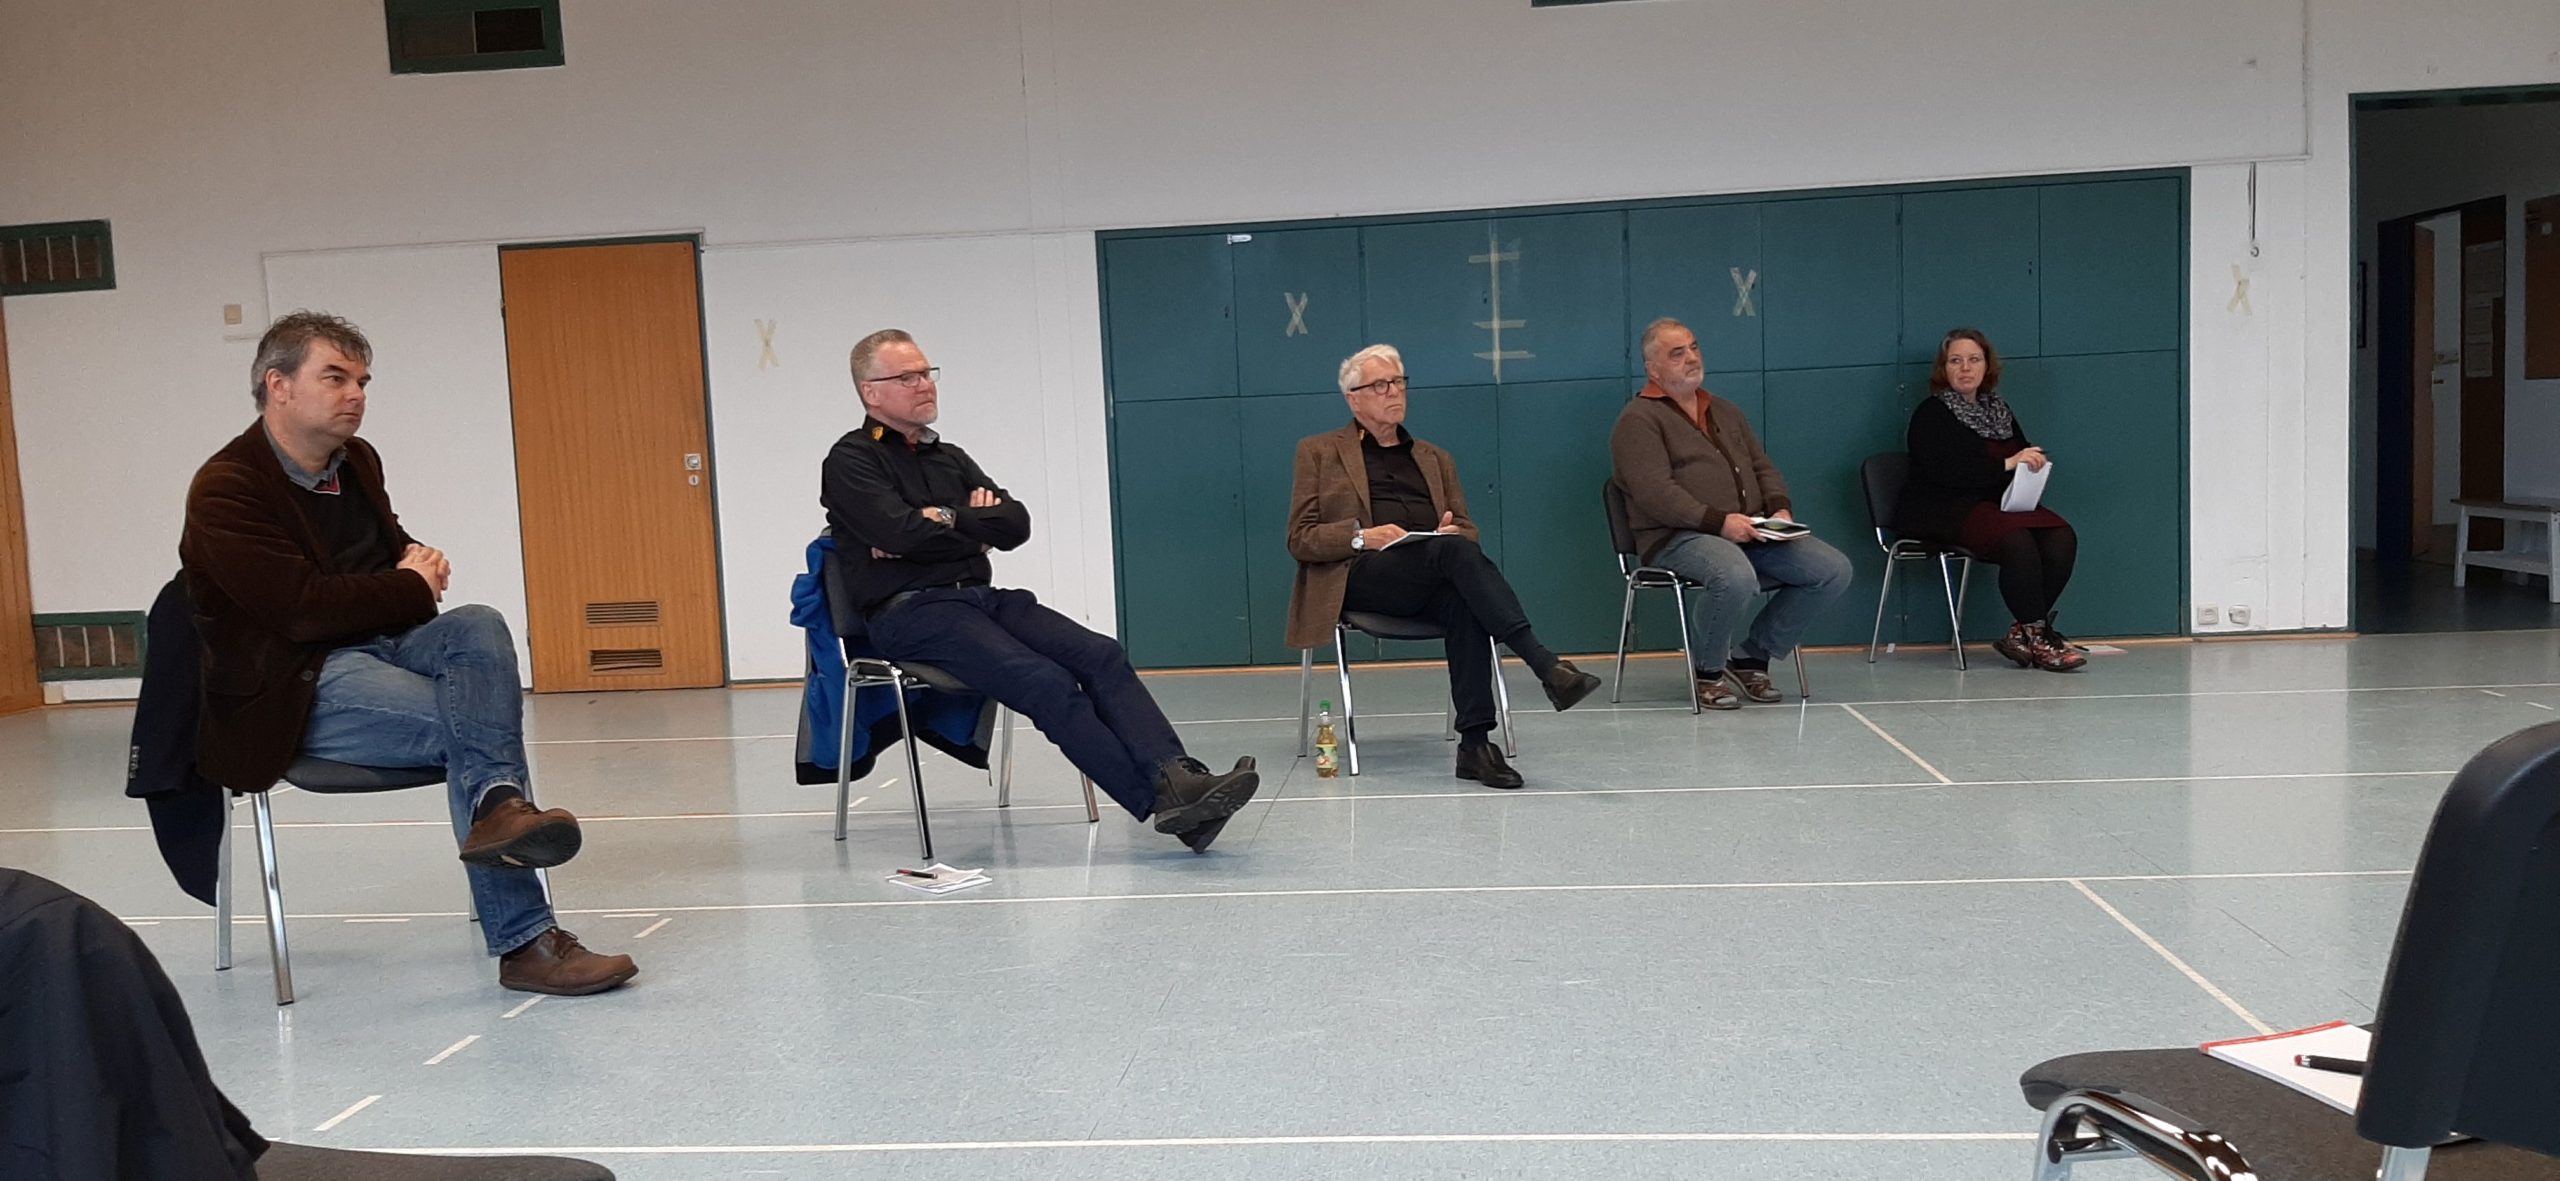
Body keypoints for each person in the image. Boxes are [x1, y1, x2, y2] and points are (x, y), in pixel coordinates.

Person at [180, 312, 637, 996]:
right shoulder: (227, 488)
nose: (355, 395)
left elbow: (392, 569)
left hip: (381, 648)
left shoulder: (356, 462)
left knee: (477, 623)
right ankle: (526, 940)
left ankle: (500, 806)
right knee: (475, 730)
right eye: (335, 377)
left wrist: (413, 567)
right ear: (278, 385)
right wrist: (406, 583)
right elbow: (302, 611)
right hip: (293, 685)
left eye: (362, 381)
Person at [823, 329, 1262, 853]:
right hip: (913, 611)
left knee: (1100, 654)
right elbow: (899, 533)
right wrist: (971, 529)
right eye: (908, 377)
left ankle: (1177, 777)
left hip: (980, 599)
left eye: (926, 372)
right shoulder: (851, 460)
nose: (924, 384)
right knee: (1043, 680)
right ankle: (1164, 802)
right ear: (871, 392)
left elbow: (1015, 525)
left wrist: (944, 518)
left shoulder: (950, 458)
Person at [0, 867, 616, 1180]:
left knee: (473, 657)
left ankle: (499, 809)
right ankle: (503, 830)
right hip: (289, 698)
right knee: (52, 933)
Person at [1285, 345, 1602, 789]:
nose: (1394, 392)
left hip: (1430, 570)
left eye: (1399, 382)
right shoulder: (1319, 452)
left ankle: (1474, 744)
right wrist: (1362, 536)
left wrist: (1449, 533)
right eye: (1380, 385)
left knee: (1462, 594)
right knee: (1453, 559)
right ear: (1353, 399)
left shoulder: (1435, 458)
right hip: (1360, 574)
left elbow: (1467, 530)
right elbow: (1300, 538)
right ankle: (1545, 665)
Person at [1609, 318, 1853, 710]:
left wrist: (1778, 508)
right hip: (1677, 537)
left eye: (1694, 347)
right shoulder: (1637, 421)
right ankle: (1708, 672)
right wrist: (1719, 523)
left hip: (1750, 529)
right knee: (1735, 576)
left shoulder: (1724, 410)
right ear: (1653, 369)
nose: (1692, 358)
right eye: (1677, 354)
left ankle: (1752, 657)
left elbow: (1761, 466)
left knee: (1832, 569)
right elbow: (1655, 495)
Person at [1892, 328, 2085, 671]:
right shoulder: (1931, 413)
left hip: (1998, 503)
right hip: (1944, 507)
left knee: (2061, 536)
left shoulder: (1998, 409)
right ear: (1944, 369)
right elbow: (1946, 474)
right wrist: (2008, 464)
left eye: (1974, 360)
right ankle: (2040, 640)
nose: (1965, 368)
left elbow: (2018, 454)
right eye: (1956, 361)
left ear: (1987, 366)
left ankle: (2022, 633)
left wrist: (2031, 463)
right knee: (2016, 541)